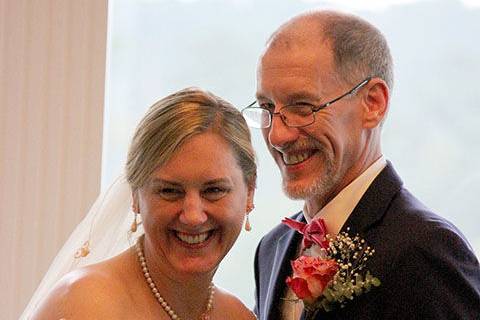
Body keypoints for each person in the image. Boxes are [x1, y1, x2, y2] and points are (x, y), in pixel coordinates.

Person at [243, 10, 480, 320]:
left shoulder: (426, 250)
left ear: (373, 103)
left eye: (303, 107)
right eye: (267, 107)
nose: (277, 135)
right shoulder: (272, 248)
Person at [26, 88, 257, 319]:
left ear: (250, 192)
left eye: (214, 190)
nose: (193, 216)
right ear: (136, 196)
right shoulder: (87, 303)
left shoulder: (237, 314)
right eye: (169, 191)